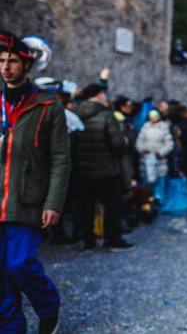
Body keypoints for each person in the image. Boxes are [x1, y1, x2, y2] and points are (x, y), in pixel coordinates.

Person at [0, 31, 69, 333]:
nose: (5, 67)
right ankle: (11, 327)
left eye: (12, 61)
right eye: (2, 60)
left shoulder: (47, 106)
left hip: (26, 199)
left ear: (27, 66)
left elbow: (59, 158)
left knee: (18, 264)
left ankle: (49, 307)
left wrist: (53, 202)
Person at [74, 83, 135, 253]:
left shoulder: (75, 115)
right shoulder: (107, 116)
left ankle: (88, 240)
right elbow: (118, 145)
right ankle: (112, 239)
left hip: (82, 170)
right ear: (99, 95)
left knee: (85, 207)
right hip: (107, 169)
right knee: (113, 206)